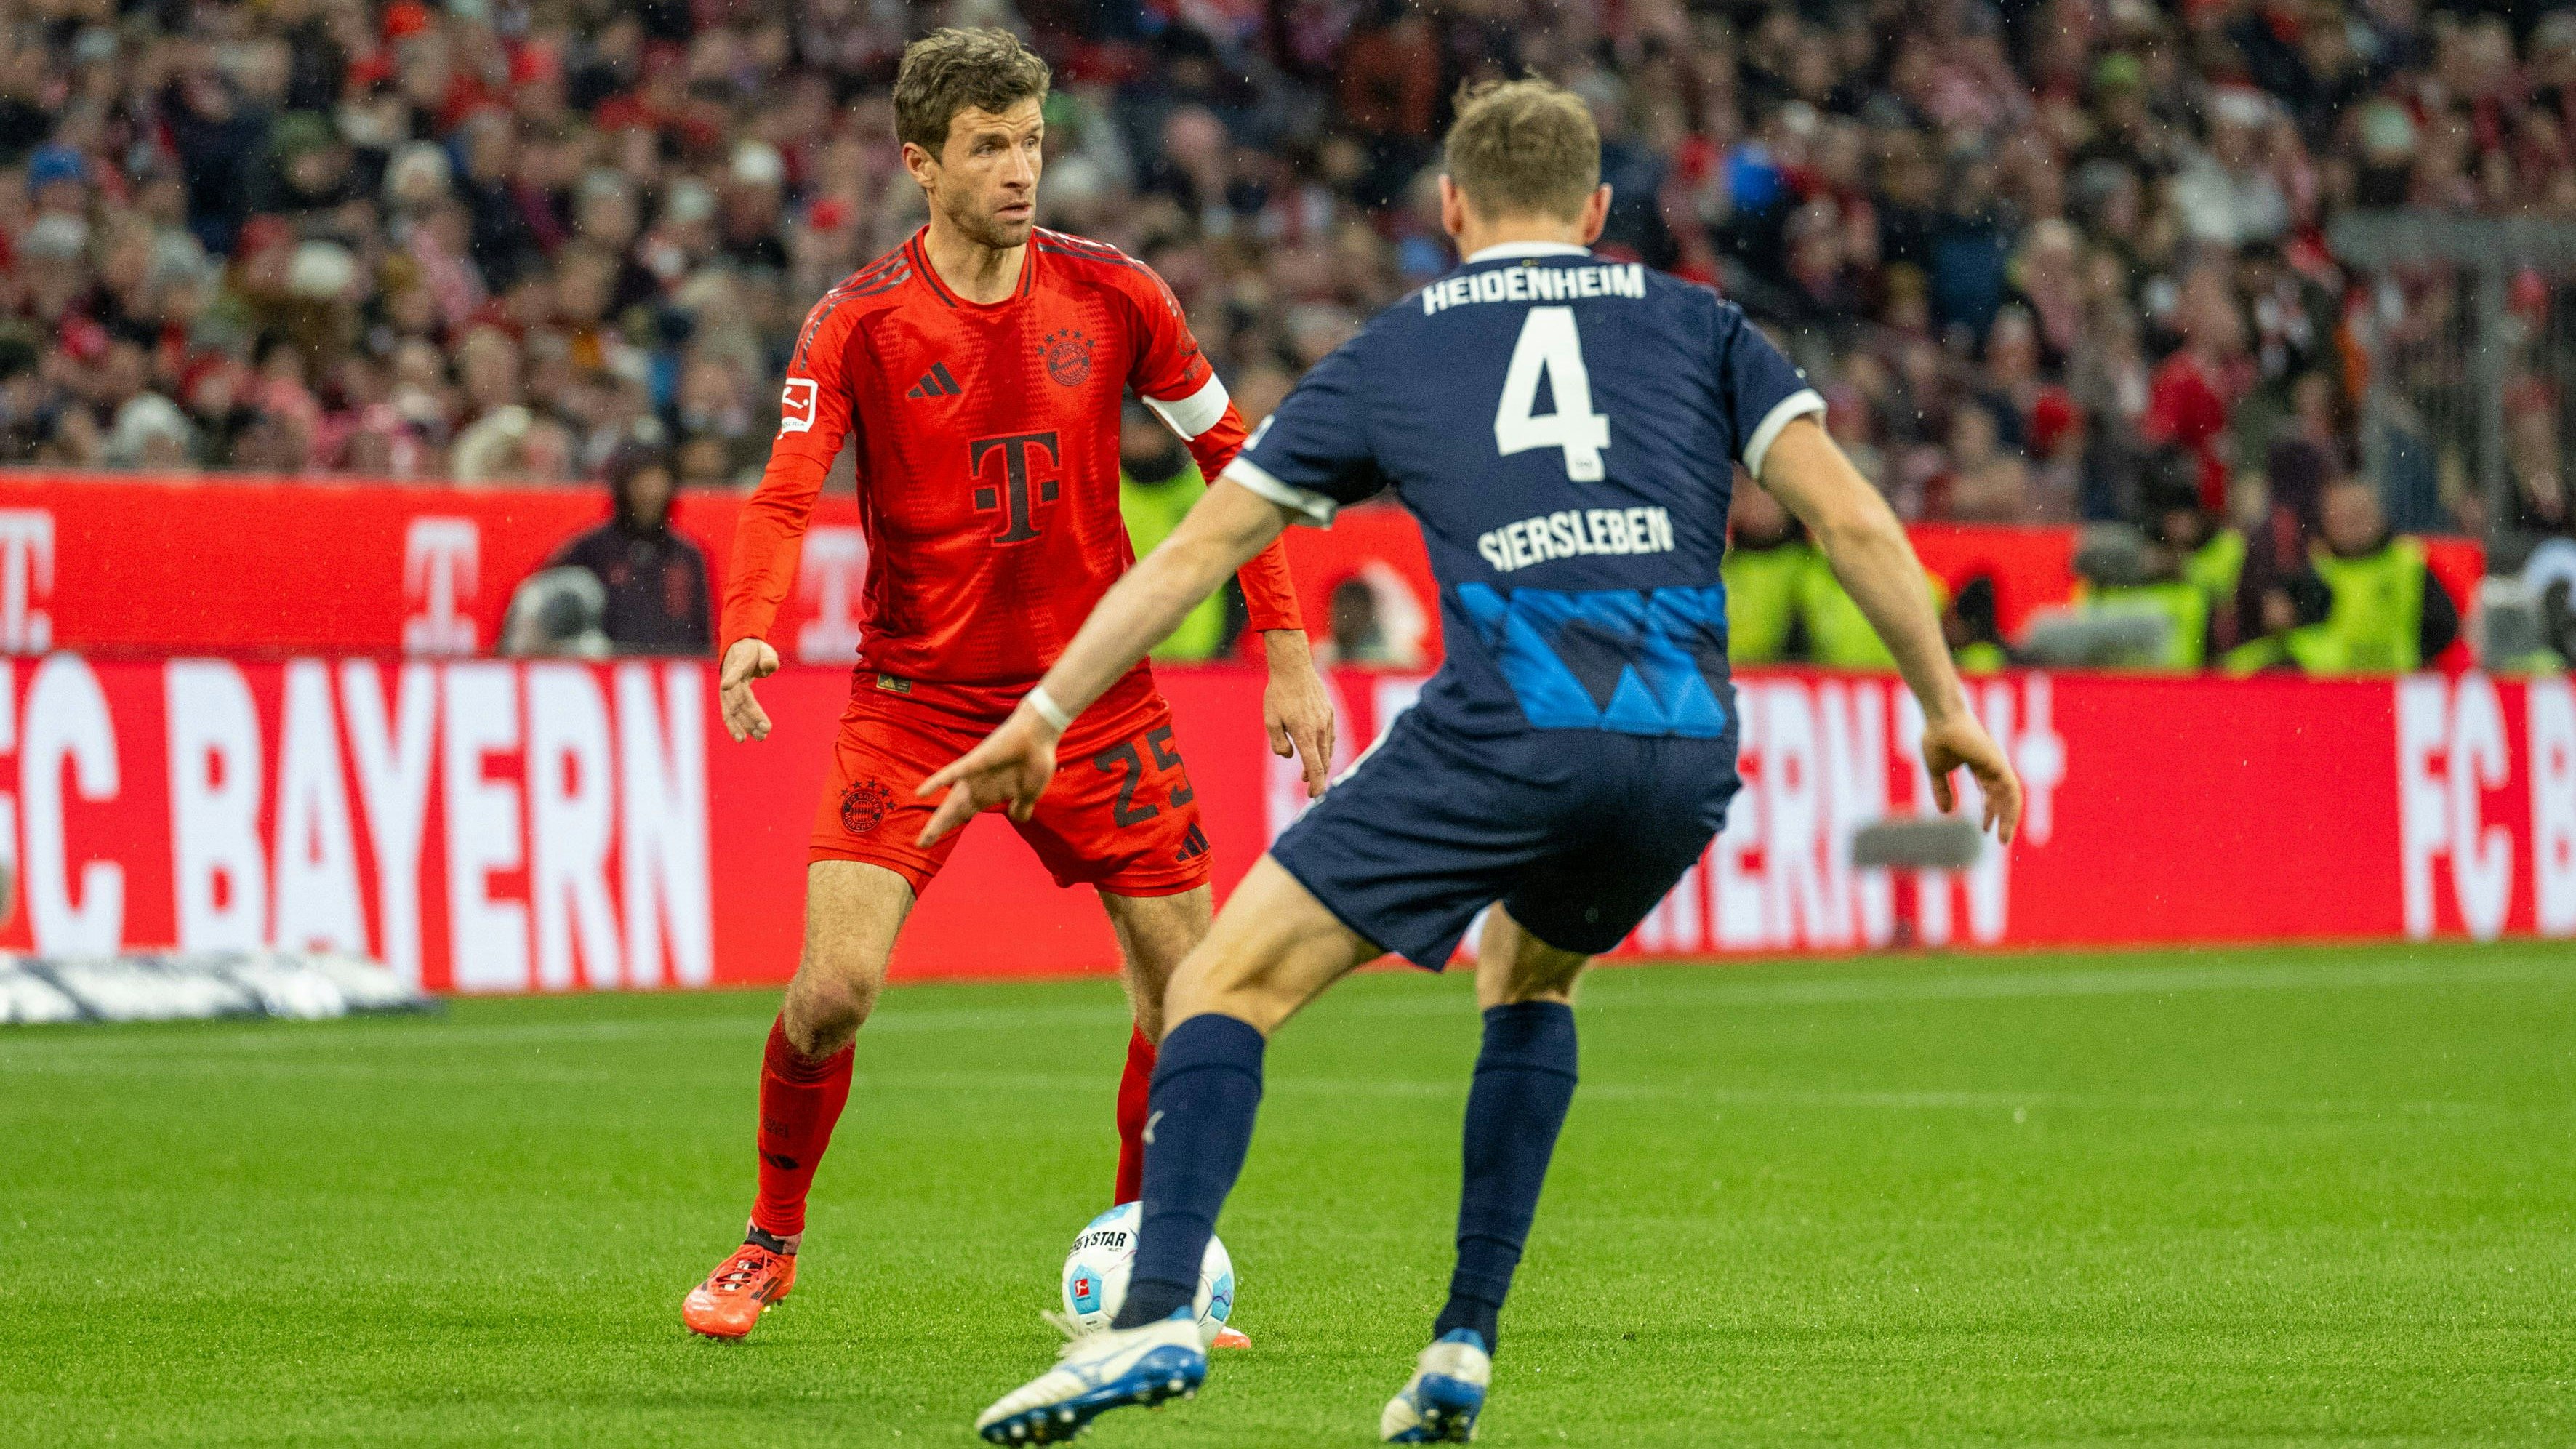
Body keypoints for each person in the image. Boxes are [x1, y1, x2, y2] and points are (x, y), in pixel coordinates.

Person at [930, 80, 2022, 1445]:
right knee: (1529, 972)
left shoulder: (1398, 351)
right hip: (1682, 751)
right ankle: (1459, 1340)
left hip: (1511, 727)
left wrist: (1042, 710)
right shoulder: (1700, 323)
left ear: (1449, 208)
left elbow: (1197, 550)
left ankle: (1152, 1313)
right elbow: (1851, 518)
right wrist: (1945, 701)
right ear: (1599, 210)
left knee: (1219, 979)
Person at [678, 28, 1333, 1344]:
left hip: (1092, 696)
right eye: (988, 146)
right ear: (922, 164)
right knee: (832, 993)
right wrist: (749, 621)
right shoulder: (857, 319)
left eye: (1031, 139)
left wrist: (1283, 641)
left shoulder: (1117, 295)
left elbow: (1237, 458)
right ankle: (768, 1238)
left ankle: (1154, 1273)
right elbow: (784, 490)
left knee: (1188, 992)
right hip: (915, 699)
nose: (1020, 169)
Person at [542, 443, 712, 654]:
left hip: (676, 676)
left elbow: (699, 633)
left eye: (658, 481)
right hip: (606, 674)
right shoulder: (591, 549)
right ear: (623, 487)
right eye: (641, 483)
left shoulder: (687, 555)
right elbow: (550, 618)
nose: (651, 493)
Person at [1116, 399, 1232, 661]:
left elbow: (1237, 571)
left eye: (1145, 429)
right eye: (1128, 430)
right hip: (1126, 654)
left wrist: (1227, 644)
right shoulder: (1105, 489)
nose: (1135, 439)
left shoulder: (1208, 486)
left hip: (1203, 652)